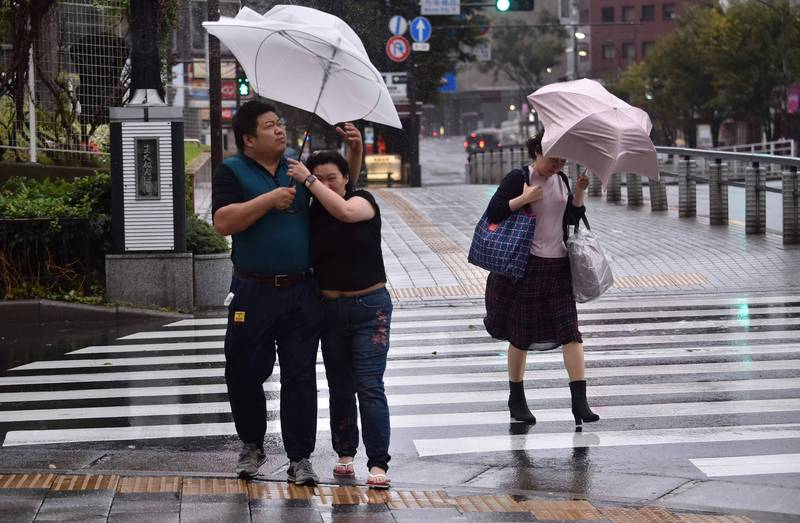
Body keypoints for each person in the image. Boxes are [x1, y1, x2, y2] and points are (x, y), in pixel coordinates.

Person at [211, 99, 321, 484]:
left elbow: (338, 192)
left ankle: (300, 458)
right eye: (270, 125)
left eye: (280, 123)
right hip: (252, 291)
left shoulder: (298, 169)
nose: (279, 130)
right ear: (248, 138)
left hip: (301, 291)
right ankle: (252, 445)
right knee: (244, 371)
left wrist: (353, 152)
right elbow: (223, 222)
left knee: (301, 376)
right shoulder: (232, 171)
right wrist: (270, 200)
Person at [287, 143, 394, 490]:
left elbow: (346, 211)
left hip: (369, 308)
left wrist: (310, 179)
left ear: (347, 178)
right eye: (319, 179)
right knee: (340, 388)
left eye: (333, 178)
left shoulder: (362, 200)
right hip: (330, 309)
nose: (326, 184)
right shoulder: (314, 212)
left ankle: (377, 462)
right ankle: (345, 453)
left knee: (369, 386)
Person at [482, 132, 600, 431]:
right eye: (553, 159)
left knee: (571, 332)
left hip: (559, 266)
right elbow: (493, 212)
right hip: (525, 267)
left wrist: (580, 193)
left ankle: (579, 401)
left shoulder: (561, 179)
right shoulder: (518, 177)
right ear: (537, 151)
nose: (558, 165)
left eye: (562, 160)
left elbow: (570, 219)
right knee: (520, 335)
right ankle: (516, 398)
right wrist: (524, 198)